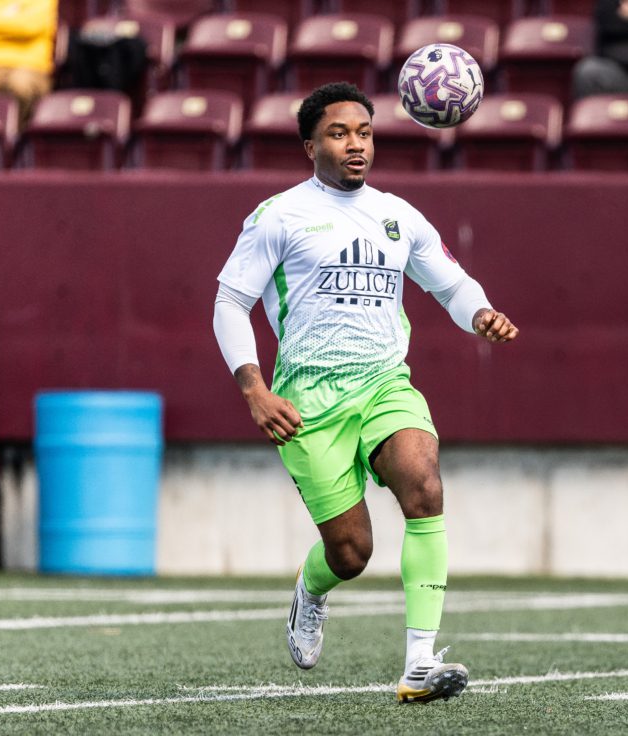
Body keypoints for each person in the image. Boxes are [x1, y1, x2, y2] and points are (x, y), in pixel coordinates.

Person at [212, 82, 519, 704]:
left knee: (424, 484)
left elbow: (451, 286)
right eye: (339, 133)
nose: (356, 144)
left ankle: (419, 665)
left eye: (365, 132)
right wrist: (253, 389)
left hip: (384, 384)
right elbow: (229, 303)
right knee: (352, 553)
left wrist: (481, 312)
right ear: (310, 145)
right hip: (309, 401)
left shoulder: (399, 216)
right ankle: (313, 588)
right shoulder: (278, 217)